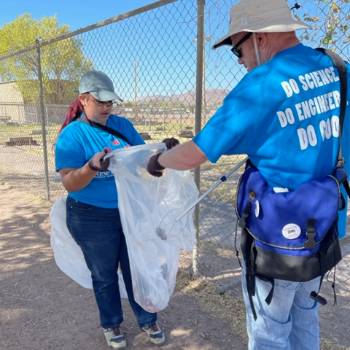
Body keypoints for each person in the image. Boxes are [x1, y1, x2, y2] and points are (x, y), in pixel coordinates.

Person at [146, 0, 350, 349]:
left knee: (269, 333)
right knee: (305, 319)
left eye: (236, 49)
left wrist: (161, 160)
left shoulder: (259, 87)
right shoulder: (335, 67)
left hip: (278, 240)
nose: (239, 60)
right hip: (325, 226)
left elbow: (197, 152)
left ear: (258, 37)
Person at [55, 70, 178, 349]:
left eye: (111, 102)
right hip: (90, 216)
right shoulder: (72, 136)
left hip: (128, 212)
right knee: (104, 273)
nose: (108, 107)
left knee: (137, 266)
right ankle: (111, 323)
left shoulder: (122, 126)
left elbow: (143, 160)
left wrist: (164, 154)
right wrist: (91, 167)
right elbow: (70, 183)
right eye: (101, 102)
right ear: (84, 100)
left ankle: (148, 319)